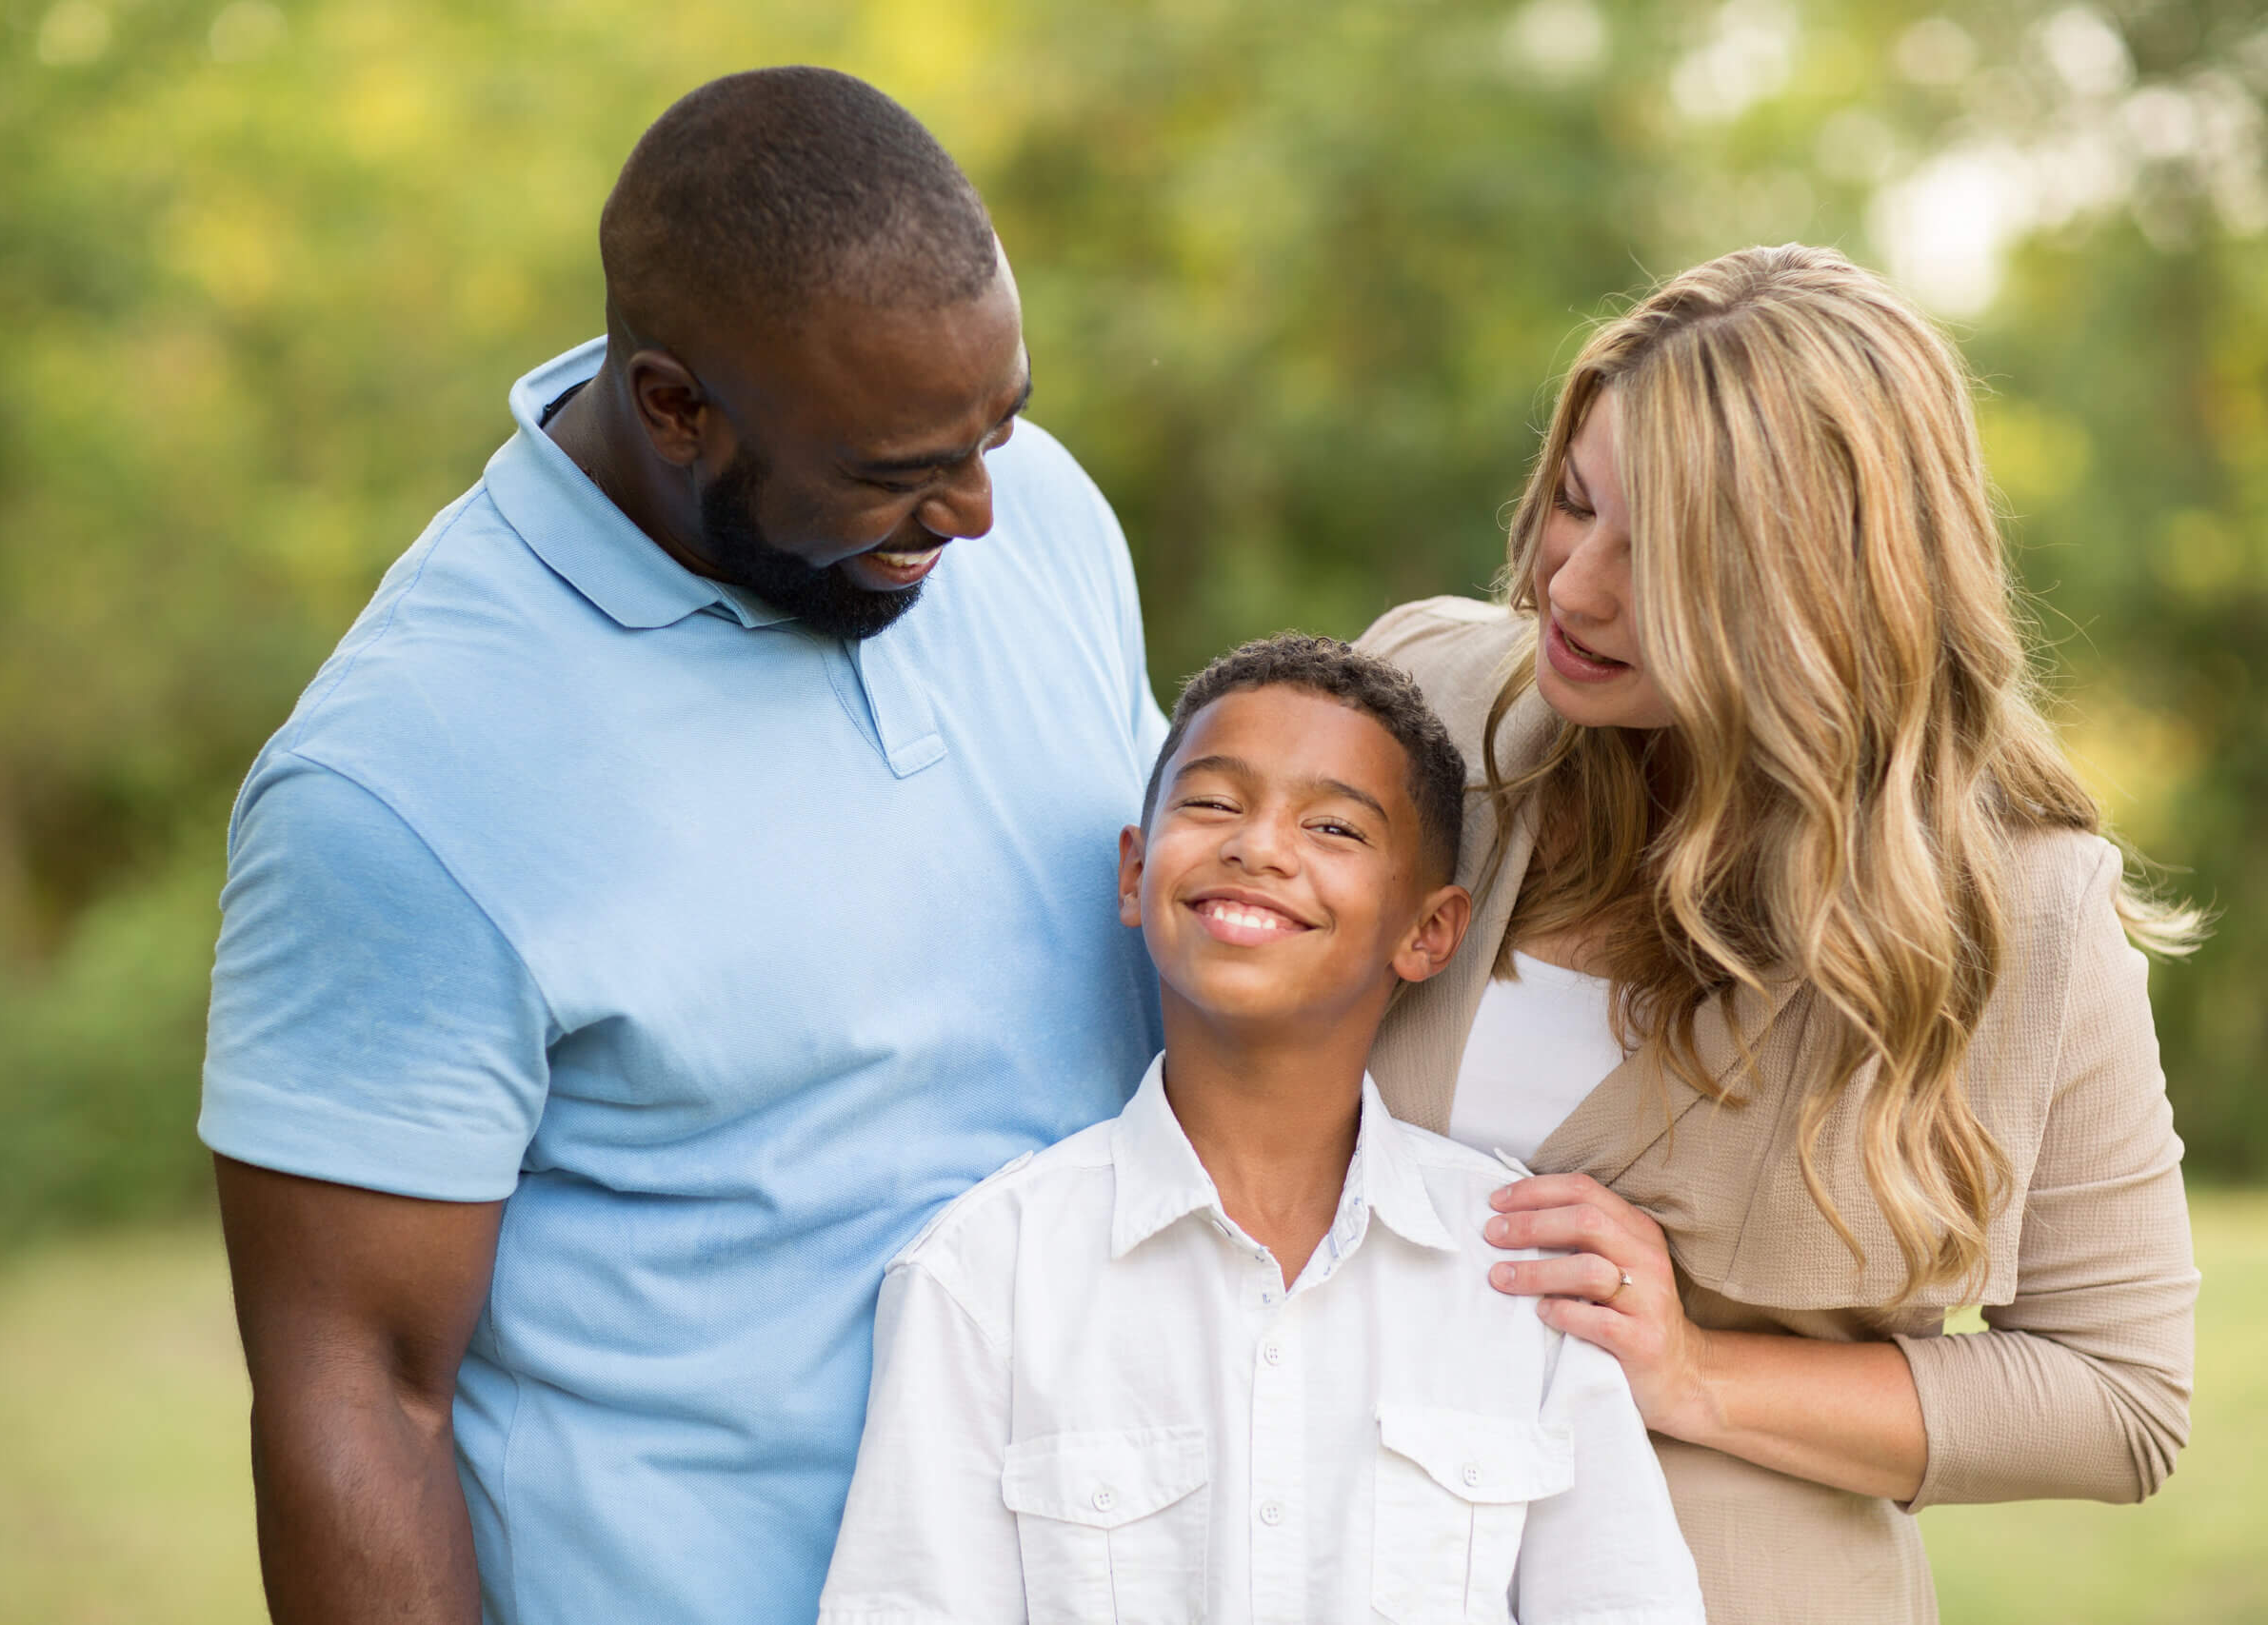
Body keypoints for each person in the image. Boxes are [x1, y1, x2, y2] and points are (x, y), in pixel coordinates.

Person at [201, 69, 1165, 1624]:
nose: (978, 510)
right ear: (672, 406)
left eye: (1002, 424)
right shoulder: (397, 780)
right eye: (895, 473)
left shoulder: (1034, 514)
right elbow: (358, 1395)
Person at [1358, 244, 2200, 1624]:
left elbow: (2120, 1399)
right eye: (1576, 501)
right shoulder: (1424, 702)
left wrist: (1692, 1367)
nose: (1573, 585)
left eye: (1663, 555)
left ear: (1818, 591)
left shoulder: (2024, 909)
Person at [818, 635, 1708, 1624]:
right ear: (1134, 871)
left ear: (1429, 932)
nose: (1259, 845)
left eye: (1332, 826)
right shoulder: (986, 1277)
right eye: (1212, 803)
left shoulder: (1521, 1272)